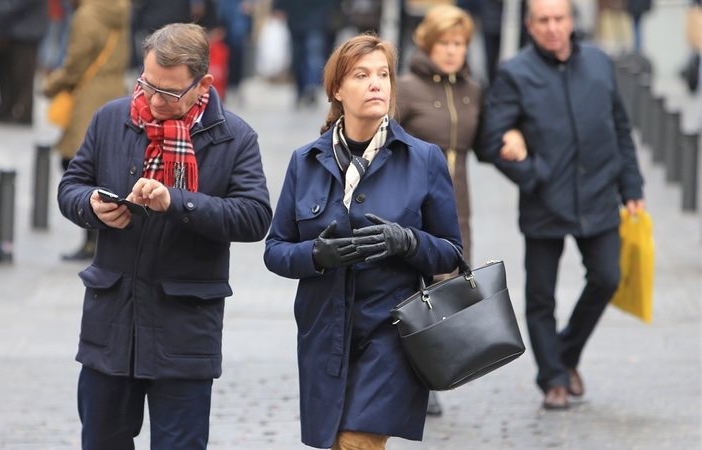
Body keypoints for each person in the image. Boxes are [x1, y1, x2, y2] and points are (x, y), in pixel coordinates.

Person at [57, 23, 272, 448]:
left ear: (203, 84)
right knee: (101, 439)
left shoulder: (236, 137)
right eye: (147, 84)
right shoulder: (111, 118)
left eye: (169, 93)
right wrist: (91, 208)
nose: (154, 101)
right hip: (111, 320)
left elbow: (254, 217)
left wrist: (178, 202)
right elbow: (71, 186)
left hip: (185, 326)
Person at [264, 33, 463, 449]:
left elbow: (451, 251)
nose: (376, 83)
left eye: (383, 74)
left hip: (391, 332)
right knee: (337, 441)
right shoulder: (306, 161)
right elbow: (276, 250)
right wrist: (316, 254)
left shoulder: (423, 159)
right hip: (323, 333)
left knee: (357, 441)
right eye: (361, 75)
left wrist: (407, 241)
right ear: (337, 89)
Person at [477, 0, 645, 410]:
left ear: (572, 22)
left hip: (599, 194)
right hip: (544, 201)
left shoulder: (600, 64)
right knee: (541, 298)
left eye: (559, 19)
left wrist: (632, 185)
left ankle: (564, 356)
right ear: (531, 27)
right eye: (543, 21)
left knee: (607, 277)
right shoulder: (515, 74)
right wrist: (533, 175)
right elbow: (489, 142)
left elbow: (620, 126)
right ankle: (553, 378)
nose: (553, 27)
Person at [395, 2, 526, 417]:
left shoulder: (473, 89)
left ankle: (433, 367)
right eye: (444, 43)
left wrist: (515, 138)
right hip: (409, 205)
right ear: (428, 44)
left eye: (460, 43)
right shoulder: (405, 88)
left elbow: (487, 139)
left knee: (444, 283)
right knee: (410, 288)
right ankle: (411, 378)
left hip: (457, 204)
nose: (452, 51)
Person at [43, 0, 131, 261]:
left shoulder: (87, 14)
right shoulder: (119, 9)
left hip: (88, 96)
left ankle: (92, 238)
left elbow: (75, 63)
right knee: (105, 165)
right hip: (115, 91)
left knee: (76, 165)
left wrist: (51, 85)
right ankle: (97, 236)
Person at [0, 0, 48, 125]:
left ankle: (23, 113)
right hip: (14, 33)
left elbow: (14, 6)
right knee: (10, 75)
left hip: (26, 34)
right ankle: (9, 109)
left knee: (23, 75)